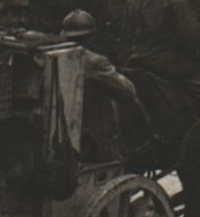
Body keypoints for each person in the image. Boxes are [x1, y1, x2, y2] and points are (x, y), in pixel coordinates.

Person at [60, 9, 155, 162]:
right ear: (91, 38)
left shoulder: (53, 59)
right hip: (92, 144)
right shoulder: (94, 62)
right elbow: (127, 92)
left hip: (60, 140)